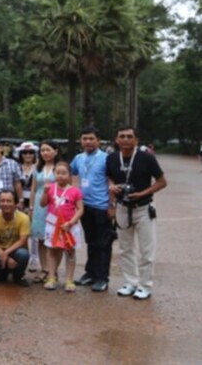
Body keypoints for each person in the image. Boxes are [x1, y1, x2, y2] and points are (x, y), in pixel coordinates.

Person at [107, 126, 167, 300]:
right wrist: (112, 186)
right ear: (117, 140)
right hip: (122, 207)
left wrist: (143, 193)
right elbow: (109, 176)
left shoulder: (146, 158)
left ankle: (145, 285)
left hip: (143, 207)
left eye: (129, 136)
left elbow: (162, 182)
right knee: (125, 248)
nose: (125, 140)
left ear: (136, 140)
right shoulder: (111, 158)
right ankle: (130, 282)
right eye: (122, 137)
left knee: (147, 250)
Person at [70, 126, 113, 292]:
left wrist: (112, 204)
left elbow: (111, 182)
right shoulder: (78, 158)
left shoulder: (106, 158)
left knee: (104, 243)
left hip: (102, 206)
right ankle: (90, 272)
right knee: (91, 241)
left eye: (91, 139)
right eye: (84, 139)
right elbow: (70, 173)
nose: (87, 142)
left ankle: (102, 277)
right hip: (85, 206)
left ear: (98, 140)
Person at [41, 162, 84, 292]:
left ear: (69, 175)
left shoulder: (75, 191)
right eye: (58, 173)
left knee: (70, 253)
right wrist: (44, 192)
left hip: (69, 227)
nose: (60, 176)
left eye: (64, 173)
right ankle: (52, 277)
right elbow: (43, 204)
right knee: (52, 251)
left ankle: (69, 279)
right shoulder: (50, 188)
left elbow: (80, 209)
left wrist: (70, 223)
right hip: (52, 226)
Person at [0, 190, 31, 286]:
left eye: (9, 201)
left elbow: (22, 240)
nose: (5, 204)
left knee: (23, 254)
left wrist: (5, 254)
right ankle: (4, 273)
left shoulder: (24, 218)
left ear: (15, 203)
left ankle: (18, 276)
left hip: (16, 250)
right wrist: (3, 254)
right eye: (2, 201)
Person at [30, 140, 59, 282]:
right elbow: (33, 189)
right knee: (41, 238)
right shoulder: (38, 168)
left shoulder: (59, 168)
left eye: (48, 150)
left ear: (56, 151)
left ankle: (54, 269)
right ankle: (44, 269)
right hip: (39, 206)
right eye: (42, 150)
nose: (45, 153)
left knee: (53, 237)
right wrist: (31, 207)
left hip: (55, 205)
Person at [17, 142, 38, 211]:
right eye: (25, 152)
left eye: (31, 152)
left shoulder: (38, 168)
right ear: (21, 154)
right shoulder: (17, 168)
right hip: (19, 202)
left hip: (35, 202)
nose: (28, 155)